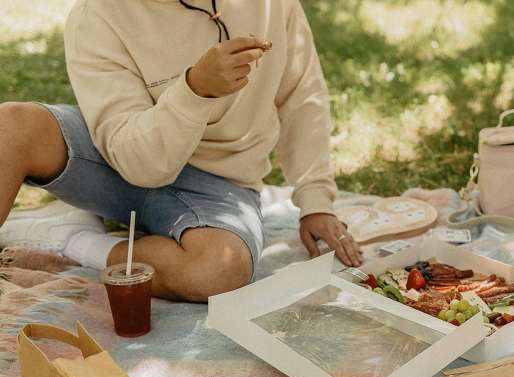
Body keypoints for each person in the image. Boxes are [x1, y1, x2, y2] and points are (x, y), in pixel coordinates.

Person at [0, 0, 362, 303]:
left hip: (222, 184)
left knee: (218, 270)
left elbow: (302, 95)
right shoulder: (97, 15)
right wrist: (194, 91)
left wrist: (316, 200)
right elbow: (137, 162)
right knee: (12, 125)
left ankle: (71, 241)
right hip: (123, 157)